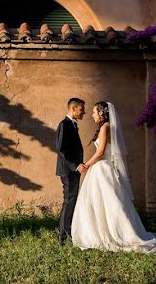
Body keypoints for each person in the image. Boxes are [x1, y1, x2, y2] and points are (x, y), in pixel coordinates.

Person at [71, 101, 156, 253]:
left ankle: (110, 233)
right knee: (104, 203)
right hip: (103, 170)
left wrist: (86, 165)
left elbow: (100, 152)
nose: (92, 115)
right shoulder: (107, 127)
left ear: (102, 113)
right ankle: (102, 232)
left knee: (105, 203)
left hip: (102, 169)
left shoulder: (105, 127)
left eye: (94, 112)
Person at [55, 97, 87, 245]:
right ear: (73, 109)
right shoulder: (64, 125)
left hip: (73, 170)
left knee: (71, 201)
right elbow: (62, 149)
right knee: (68, 201)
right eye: (82, 109)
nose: (84, 112)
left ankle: (68, 233)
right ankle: (63, 237)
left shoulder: (73, 125)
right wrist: (75, 166)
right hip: (68, 170)